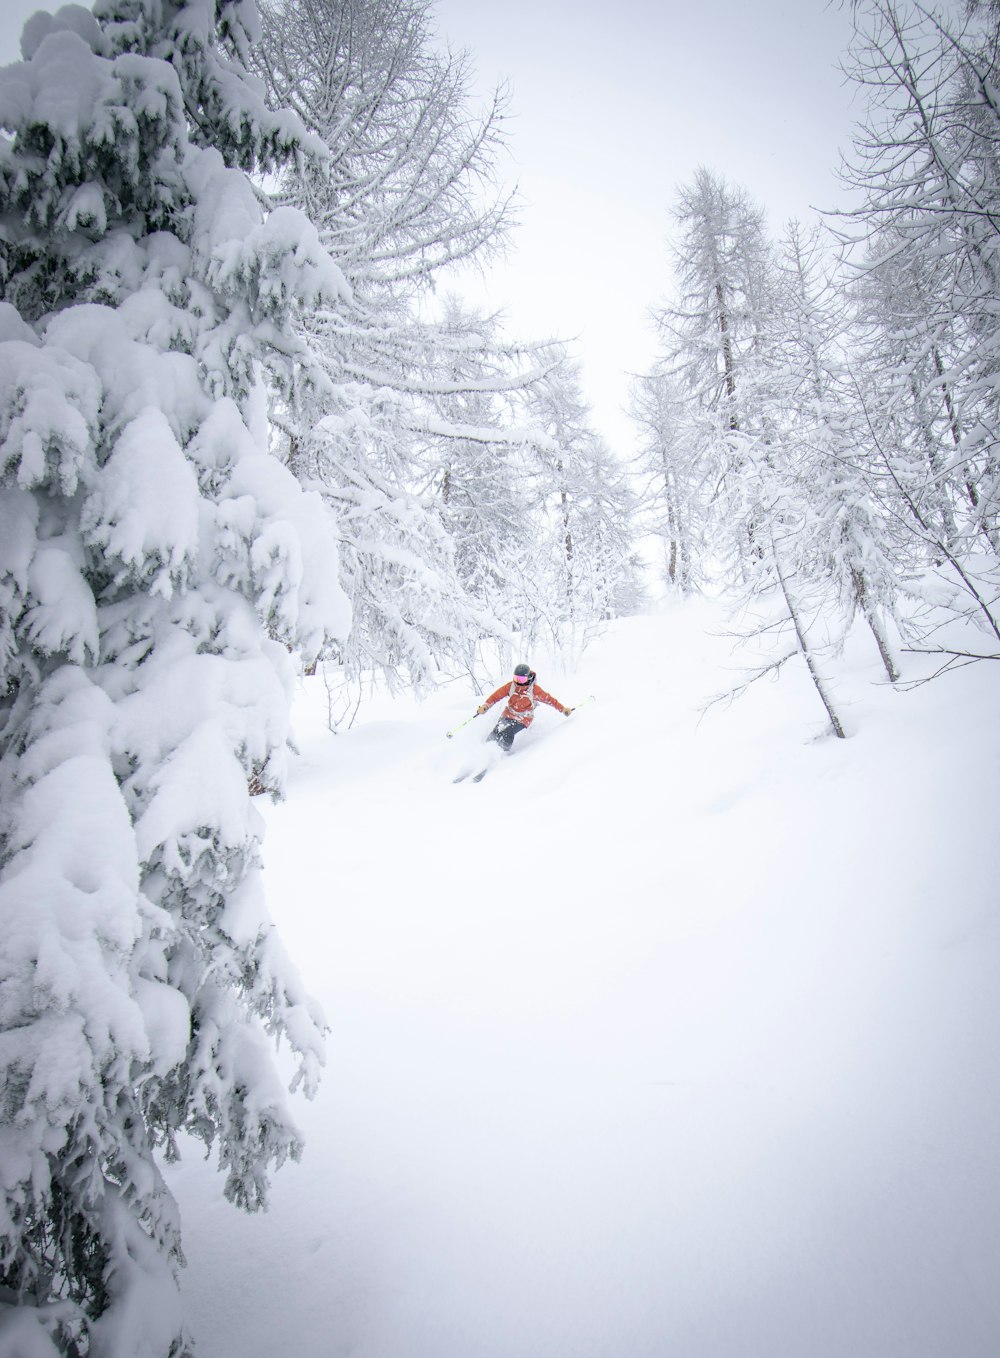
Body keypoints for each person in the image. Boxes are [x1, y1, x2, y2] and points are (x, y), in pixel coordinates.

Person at [476, 663, 572, 751]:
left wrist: (563, 709)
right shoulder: (511, 686)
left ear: (528, 678)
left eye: (522, 679)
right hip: (508, 713)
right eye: (516, 678)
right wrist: (485, 706)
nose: (519, 682)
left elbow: (550, 700)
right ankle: (483, 751)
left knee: (508, 732)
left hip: (524, 718)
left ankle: (501, 753)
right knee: (496, 731)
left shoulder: (534, 690)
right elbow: (495, 696)